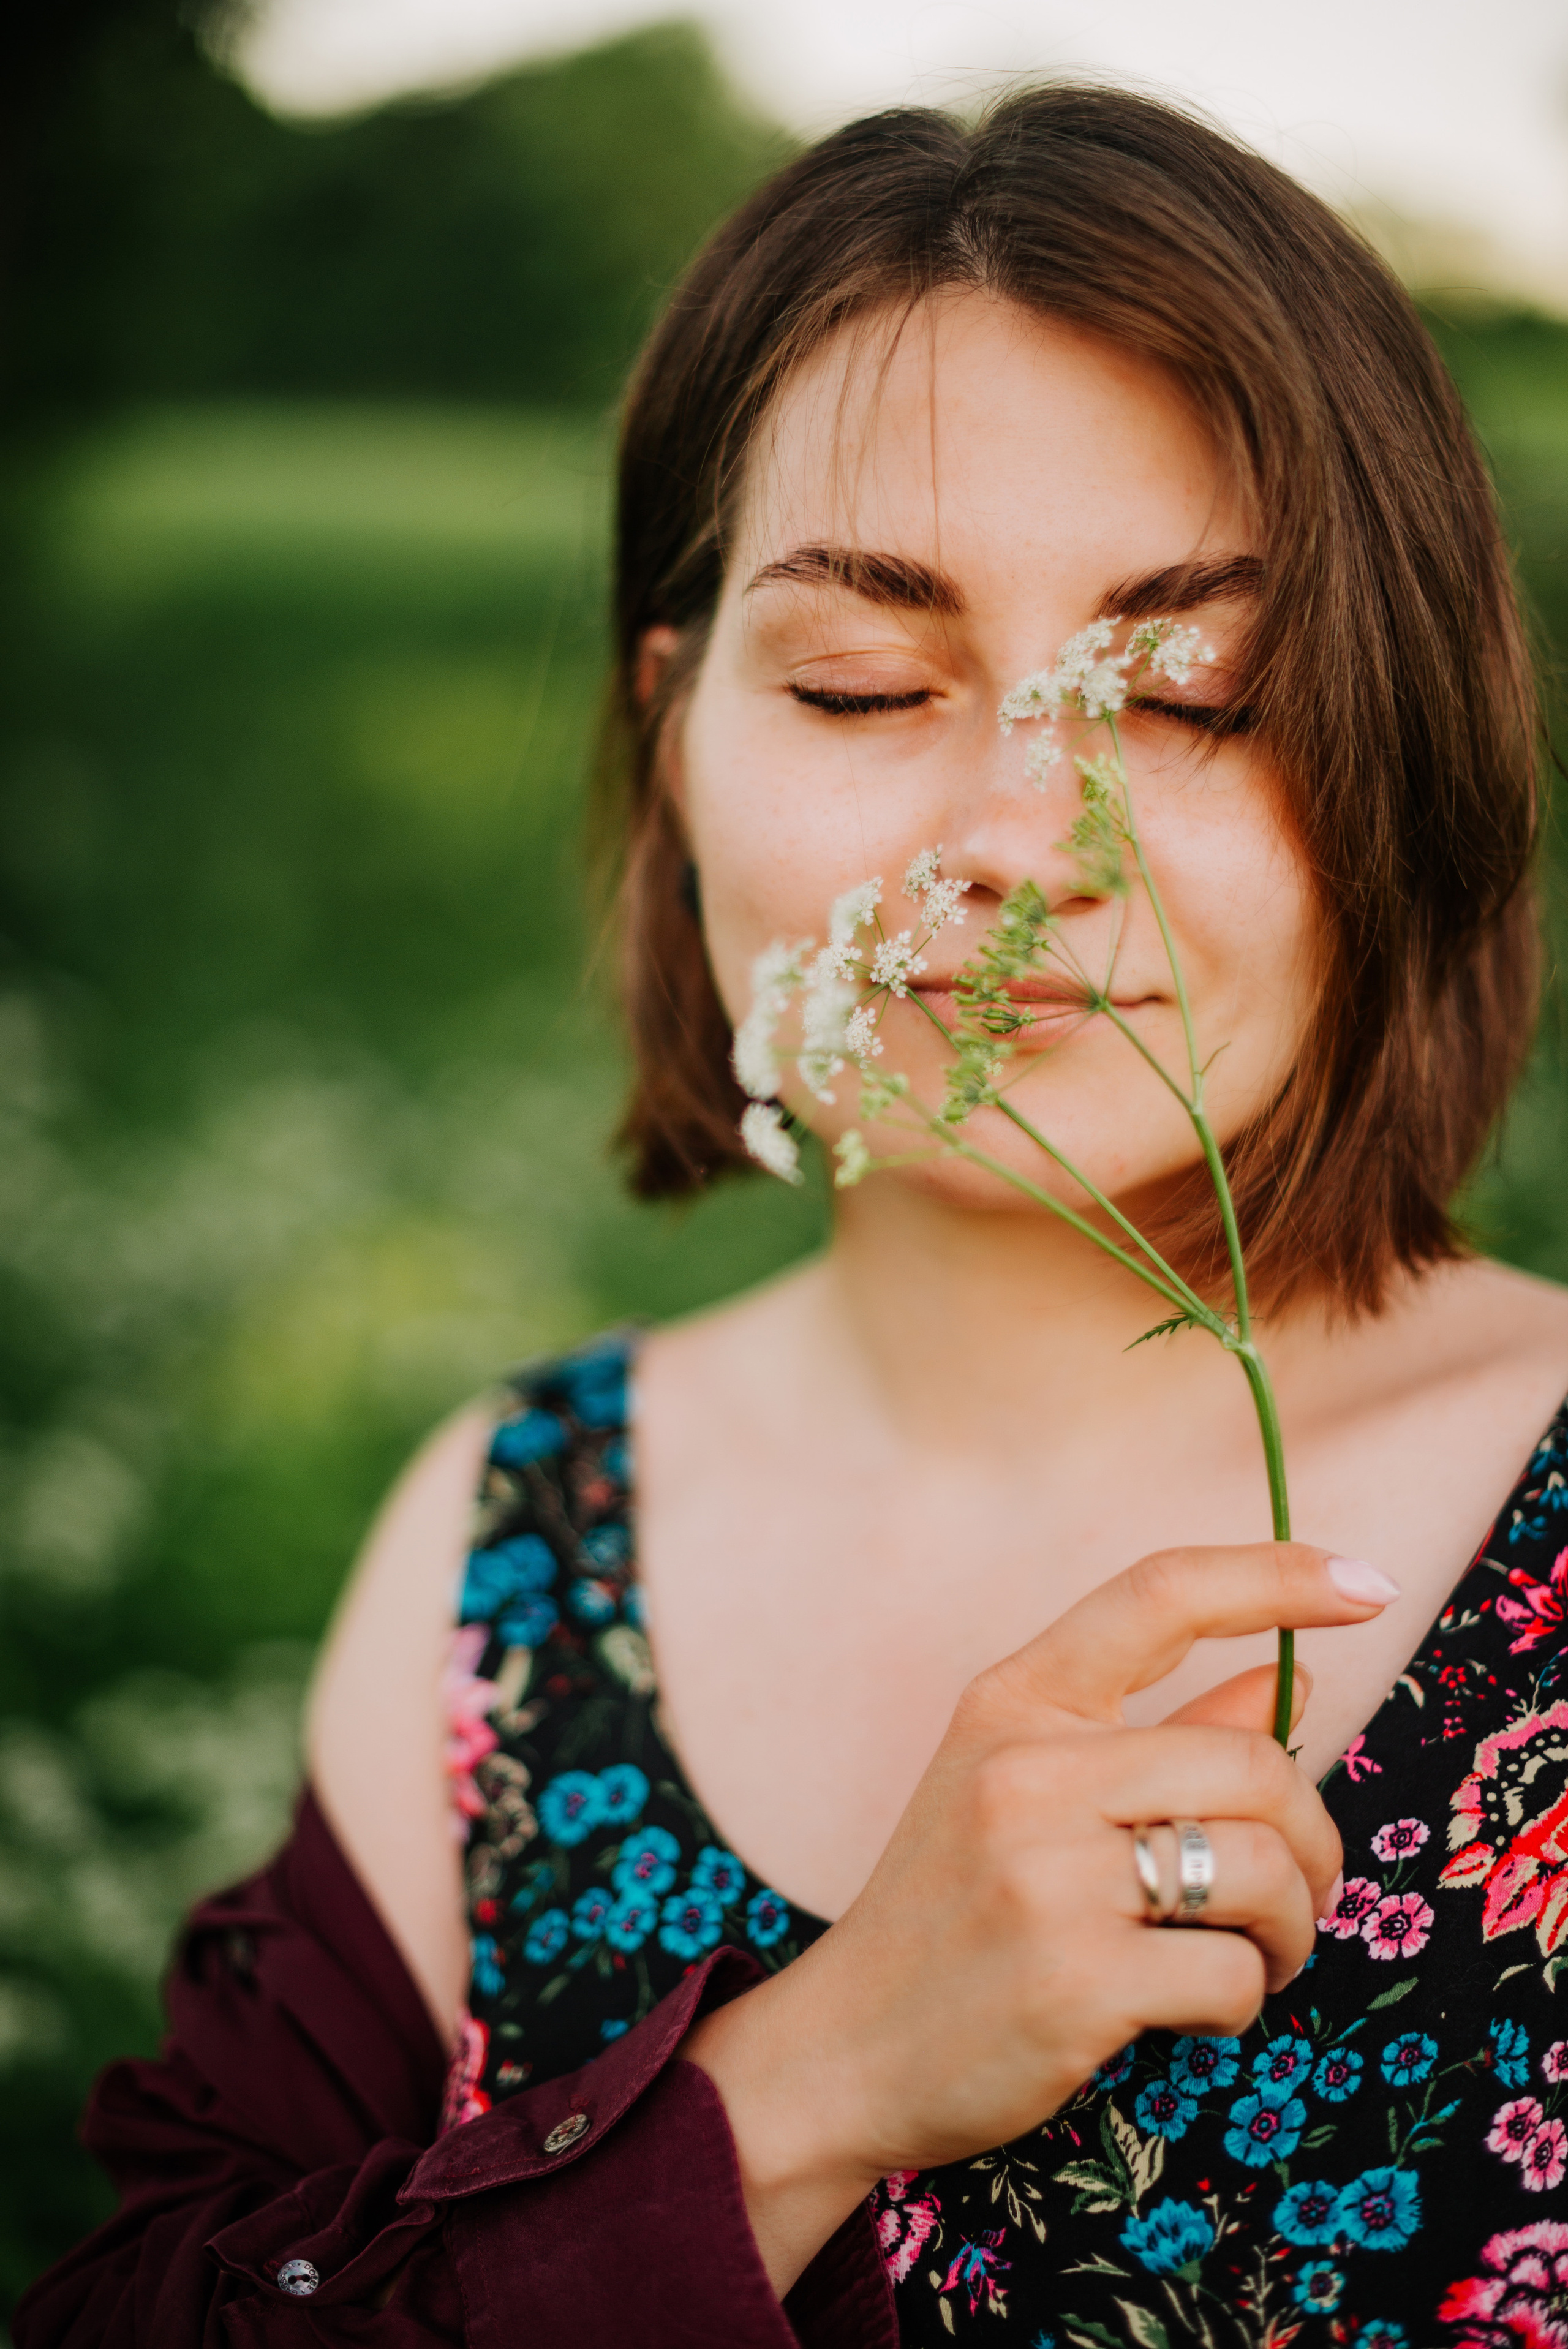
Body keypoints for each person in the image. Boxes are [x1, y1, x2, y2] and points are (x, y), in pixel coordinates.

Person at [19, 81, 1568, 2349]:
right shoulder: (513, 1541)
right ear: (676, 734)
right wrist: (809, 2088)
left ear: (1405, 739)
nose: (1027, 838)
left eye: (1195, 695)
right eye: (864, 681)